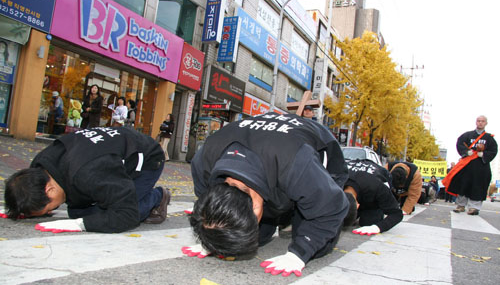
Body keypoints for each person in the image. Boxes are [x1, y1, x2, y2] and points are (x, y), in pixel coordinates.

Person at [183, 113, 349, 277]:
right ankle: (273, 222)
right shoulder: (203, 163)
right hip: (268, 159)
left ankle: (286, 216)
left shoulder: (298, 166)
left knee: (316, 242)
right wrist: (213, 237)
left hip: (314, 148)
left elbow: (332, 208)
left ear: (256, 209)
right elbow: (212, 215)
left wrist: (298, 254)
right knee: (245, 239)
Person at [3, 127, 171, 233]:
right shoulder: (39, 166)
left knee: (131, 210)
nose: (49, 212)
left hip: (146, 157)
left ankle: (158, 196)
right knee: (76, 211)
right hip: (110, 154)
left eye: (46, 208)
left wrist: (81, 224)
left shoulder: (90, 173)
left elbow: (127, 215)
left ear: (49, 190)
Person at [443, 115, 497, 215]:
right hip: (467, 166)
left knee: (478, 186)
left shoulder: (489, 138)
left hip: (481, 167)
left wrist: (484, 155)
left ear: (486, 123)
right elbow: (459, 143)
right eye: (478, 121)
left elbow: (494, 151)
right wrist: (466, 152)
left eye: (482, 121)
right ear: (476, 122)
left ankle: (474, 208)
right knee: (463, 184)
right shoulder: (467, 135)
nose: (480, 123)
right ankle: (461, 205)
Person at [343, 159, 403, 235]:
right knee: (345, 219)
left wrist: (377, 227)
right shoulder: (334, 179)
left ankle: (375, 211)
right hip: (357, 173)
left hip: (376, 180)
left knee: (368, 222)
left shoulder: (377, 187)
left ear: (358, 205)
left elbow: (397, 214)